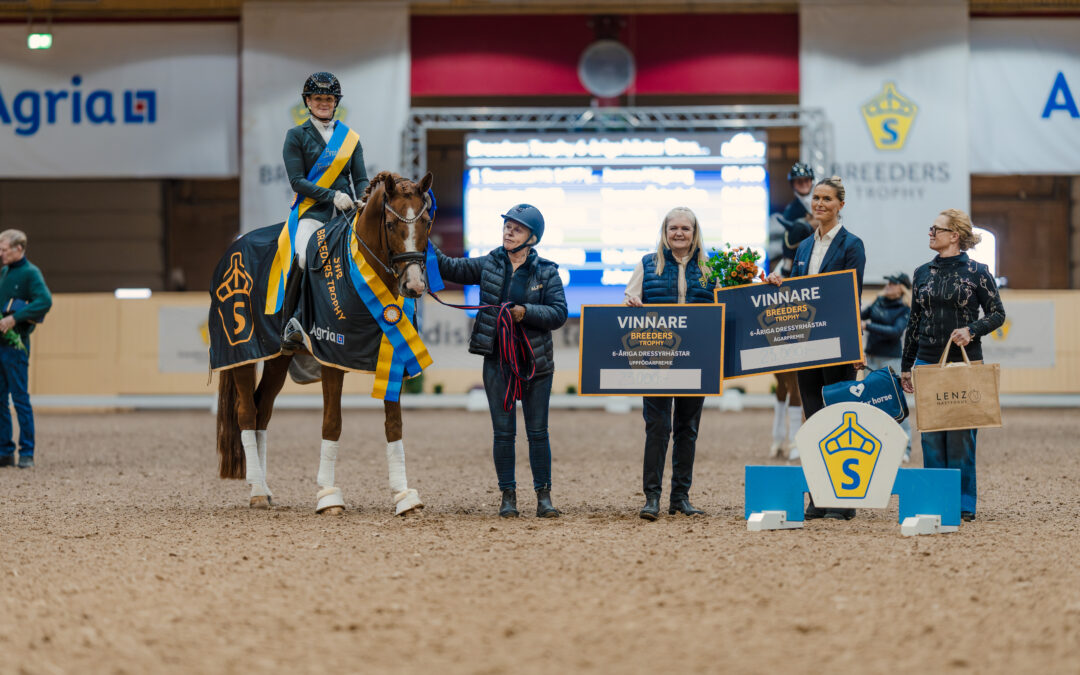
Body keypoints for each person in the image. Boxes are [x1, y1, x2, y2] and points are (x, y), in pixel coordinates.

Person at [434, 205, 568, 518]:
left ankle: (543, 496)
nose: (508, 231)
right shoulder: (488, 263)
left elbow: (559, 313)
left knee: (538, 432)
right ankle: (507, 495)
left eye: (516, 228)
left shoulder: (547, 271)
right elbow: (449, 267)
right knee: (503, 433)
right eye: (507, 226)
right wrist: (420, 236)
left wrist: (526, 312)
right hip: (498, 360)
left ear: (532, 238)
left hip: (536, 362)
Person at [767, 176, 866, 520]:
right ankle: (819, 498)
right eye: (817, 198)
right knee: (813, 419)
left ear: (840, 205)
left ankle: (843, 500)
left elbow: (851, 296)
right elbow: (799, 290)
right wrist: (782, 283)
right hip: (806, 345)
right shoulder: (804, 247)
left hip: (836, 343)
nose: (820, 203)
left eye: (827, 198)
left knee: (838, 419)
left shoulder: (852, 245)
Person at [901, 209, 1005, 523]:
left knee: (961, 435)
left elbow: (997, 314)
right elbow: (914, 323)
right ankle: (936, 500)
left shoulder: (978, 271)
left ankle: (963, 504)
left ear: (954, 235)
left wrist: (972, 329)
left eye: (937, 228)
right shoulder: (921, 273)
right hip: (927, 361)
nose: (930, 232)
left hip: (965, 361)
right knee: (931, 435)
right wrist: (907, 366)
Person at [624, 207, 716, 520]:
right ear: (665, 231)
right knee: (658, 429)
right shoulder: (647, 264)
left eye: (685, 229)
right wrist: (632, 303)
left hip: (697, 360)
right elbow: (630, 300)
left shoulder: (710, 268)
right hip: (656, 361)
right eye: (673, 228)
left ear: (694, 233)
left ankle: (680, 497)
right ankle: (652, 497)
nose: (679, 233)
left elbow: (732, 303)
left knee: (687, 430)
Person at [278, 71, 369, 351]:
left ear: (335, 102)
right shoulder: (296, 136)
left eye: (329, 99)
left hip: (347, 214)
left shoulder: (350, 139)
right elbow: (297, 181)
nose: (324, 103)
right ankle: (294, 321)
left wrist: (365, 198)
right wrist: (332, 195)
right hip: (313, 213)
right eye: (318, 98)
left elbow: (361, 178)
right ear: (308, 101)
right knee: (304, 255)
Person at [766, 162, 818, 461]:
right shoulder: (788, 213)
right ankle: (780, 437)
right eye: (797, 180)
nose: (802, 184)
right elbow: (781, 246)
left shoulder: (820, 205)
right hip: (790, 263)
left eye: (805, 180)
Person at [0, 230, 52, 469]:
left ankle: (27, 452)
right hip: (0, 344)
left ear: (19, 249)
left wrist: (14, 318)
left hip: (16, 345)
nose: (1, 254)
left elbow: (44, 301)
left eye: (5, 249)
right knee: (0, 400)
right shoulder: (4, 273)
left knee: (20, 398)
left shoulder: (31, 273)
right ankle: (5, 451)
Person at [861, 272, 913, 462]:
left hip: (891, 360)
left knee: (896, 403)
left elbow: (895, 332)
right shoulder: (878, 301)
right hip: (871, 358)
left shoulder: (905, 308)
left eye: (893, 283)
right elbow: (859, 315)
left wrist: (867, 326)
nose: (889, 285)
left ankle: (905, 448)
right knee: (868, 402)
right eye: (888, 283)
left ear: (902, 288)